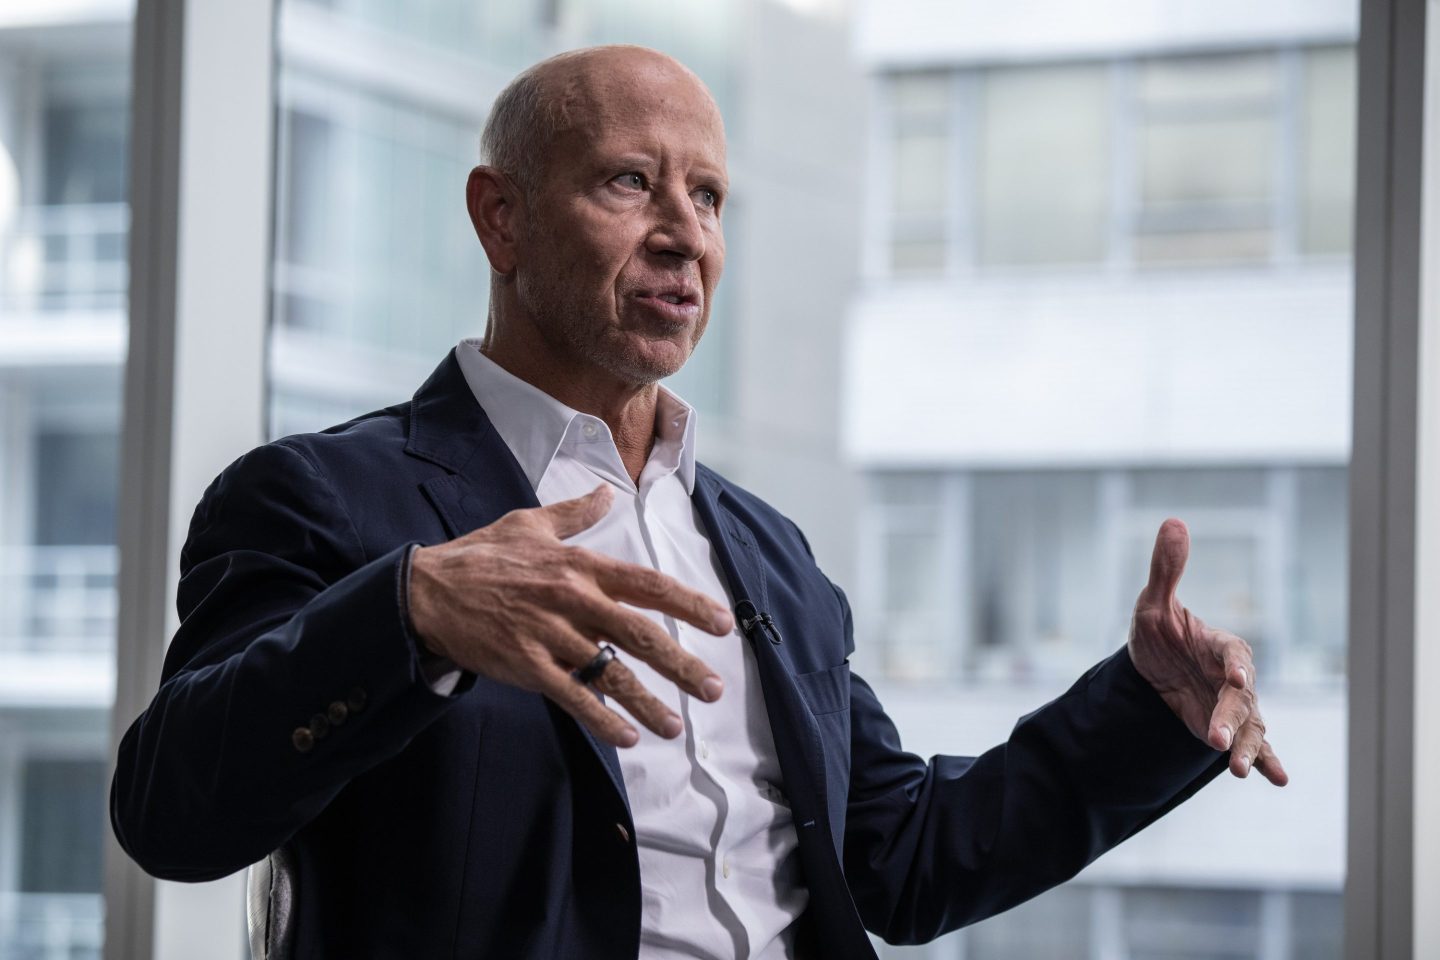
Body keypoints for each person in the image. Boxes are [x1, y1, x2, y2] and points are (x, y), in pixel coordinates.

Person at [110, 45, 1287, 960]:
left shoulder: (768, 554)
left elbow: (904, 858)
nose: (687, 236)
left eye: (711, 198)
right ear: (500, 218)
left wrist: (1144, 714)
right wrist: (412, 613)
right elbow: (171, 813)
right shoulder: (324, 499)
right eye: (632, 183)